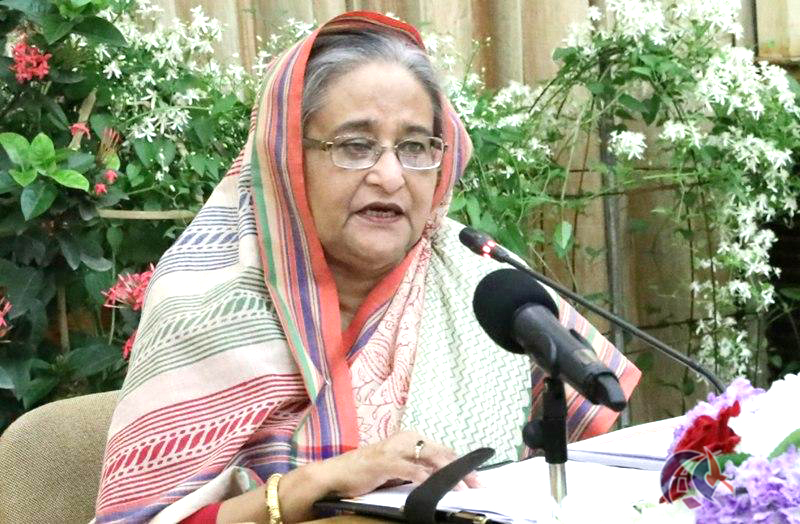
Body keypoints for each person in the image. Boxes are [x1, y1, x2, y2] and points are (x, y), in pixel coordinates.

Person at [93, 11, 640, 524]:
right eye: (355, 146)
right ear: (288, 158)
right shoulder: (205, 303)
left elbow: (594, 471)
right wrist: (318, 482)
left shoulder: (483, 282)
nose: (390, 176)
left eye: (416, 147)